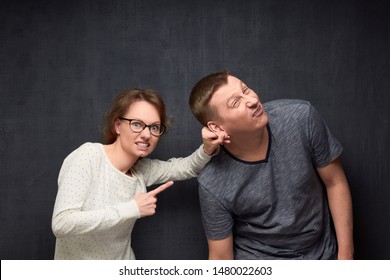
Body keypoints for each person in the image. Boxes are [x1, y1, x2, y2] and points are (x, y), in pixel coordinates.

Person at [188, 71, 354, 260]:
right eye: (236, 103)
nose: (251, 100)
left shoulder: (301, 118)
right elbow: (220, 258)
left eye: (246, 90)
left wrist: (346, 259)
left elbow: (335, 182)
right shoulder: (212, 183)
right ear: (217, 128)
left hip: (321, 255)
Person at [52, 88, 227, 260]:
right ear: (117, 125)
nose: (146, 134)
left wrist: (207, 147)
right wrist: (131, 209)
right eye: (137, 124)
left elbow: (187, 167)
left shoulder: (141, 171)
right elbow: (62, 223)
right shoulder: (89, 156)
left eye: (154, 127)